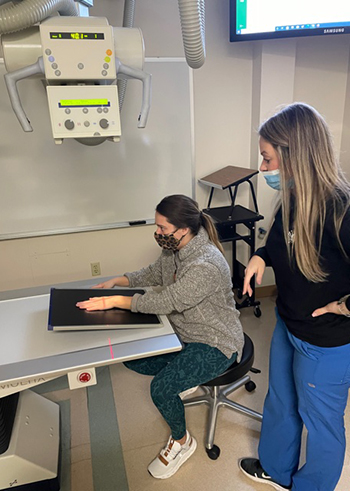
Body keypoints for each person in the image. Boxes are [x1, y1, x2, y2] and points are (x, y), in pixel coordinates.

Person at [76, 194, 244, 479]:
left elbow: (168, 301)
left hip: (216, 342)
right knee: (134, 360)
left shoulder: (206, 264)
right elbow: (154, 273)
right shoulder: (175, 247)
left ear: (183, 229)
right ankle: (185, 377)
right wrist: (120, 280)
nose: (157, 233)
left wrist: (116, 300)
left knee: (161, 389)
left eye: (162, 228)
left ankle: (182, 442)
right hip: (183, 333)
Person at [239, 103, 350, 491]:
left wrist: (344, 305)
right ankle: (276, 469)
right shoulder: (294, 198)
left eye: (268, 159)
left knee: (322, 426)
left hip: (326, 342)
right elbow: (280, 245)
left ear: (294, 154)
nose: (263, 168)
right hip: (288, 323)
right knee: (281, 402)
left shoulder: (343, 210)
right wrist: (259, 256)